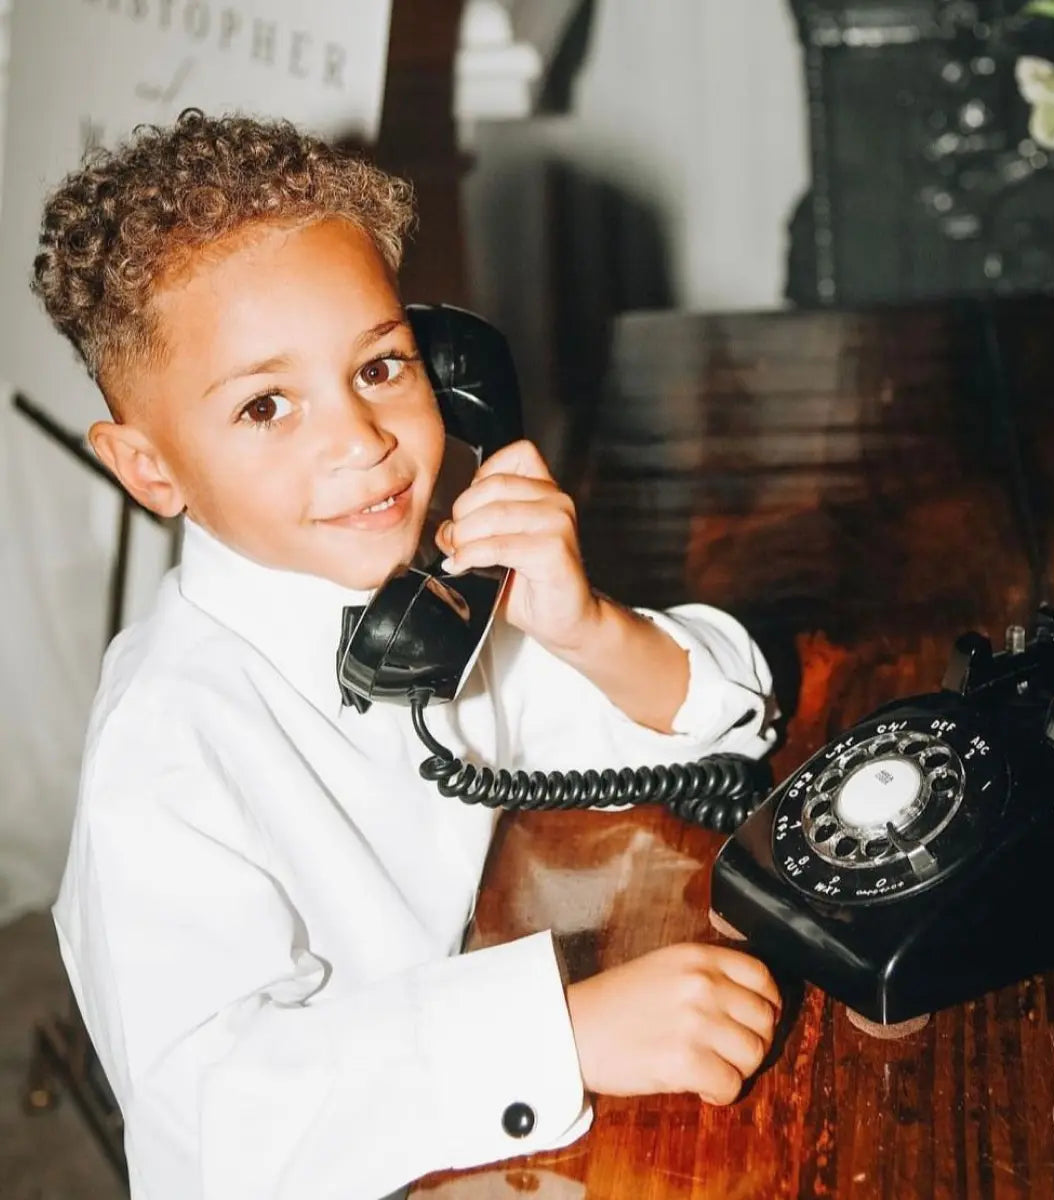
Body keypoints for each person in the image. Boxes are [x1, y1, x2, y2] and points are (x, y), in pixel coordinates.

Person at [34, 110, 782, 1200]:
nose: (361, 440)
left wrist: (586, 627)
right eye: (266, 404)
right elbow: (211, 1128)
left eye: (381, 366)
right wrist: (561, 1035)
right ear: (151, 469)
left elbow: (728, 703)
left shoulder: (421, 606)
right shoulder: (165, 746)